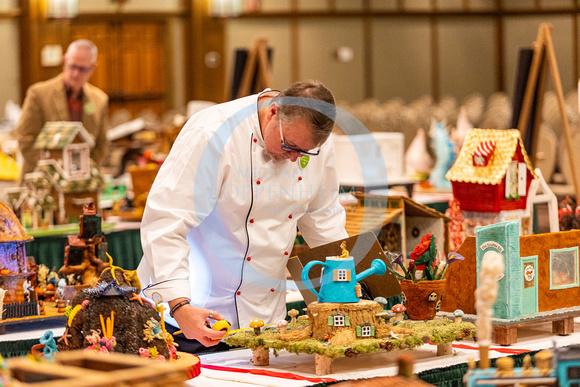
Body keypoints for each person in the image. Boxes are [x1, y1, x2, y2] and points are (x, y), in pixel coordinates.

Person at [137, 80, 349, 352]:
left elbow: (324, 219)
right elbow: (166, 221)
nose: (295, 159)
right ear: (273, 112)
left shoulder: (311, 143)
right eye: (289, 146)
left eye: (305, 152)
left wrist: (350, 282)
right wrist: (179, 305)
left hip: (267, 322)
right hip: (194, 317)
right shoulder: (211, 133)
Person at [16, 39, 109, 178]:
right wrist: (55, 172)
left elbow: (101, 145)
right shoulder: (38, 94)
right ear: (65, 60)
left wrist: (83, 172)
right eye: (72, 66)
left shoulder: (100, 99)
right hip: (41, 181)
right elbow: (25, 139)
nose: (76, 74)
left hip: (80, 181)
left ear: (94, 67)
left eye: (83, 69)